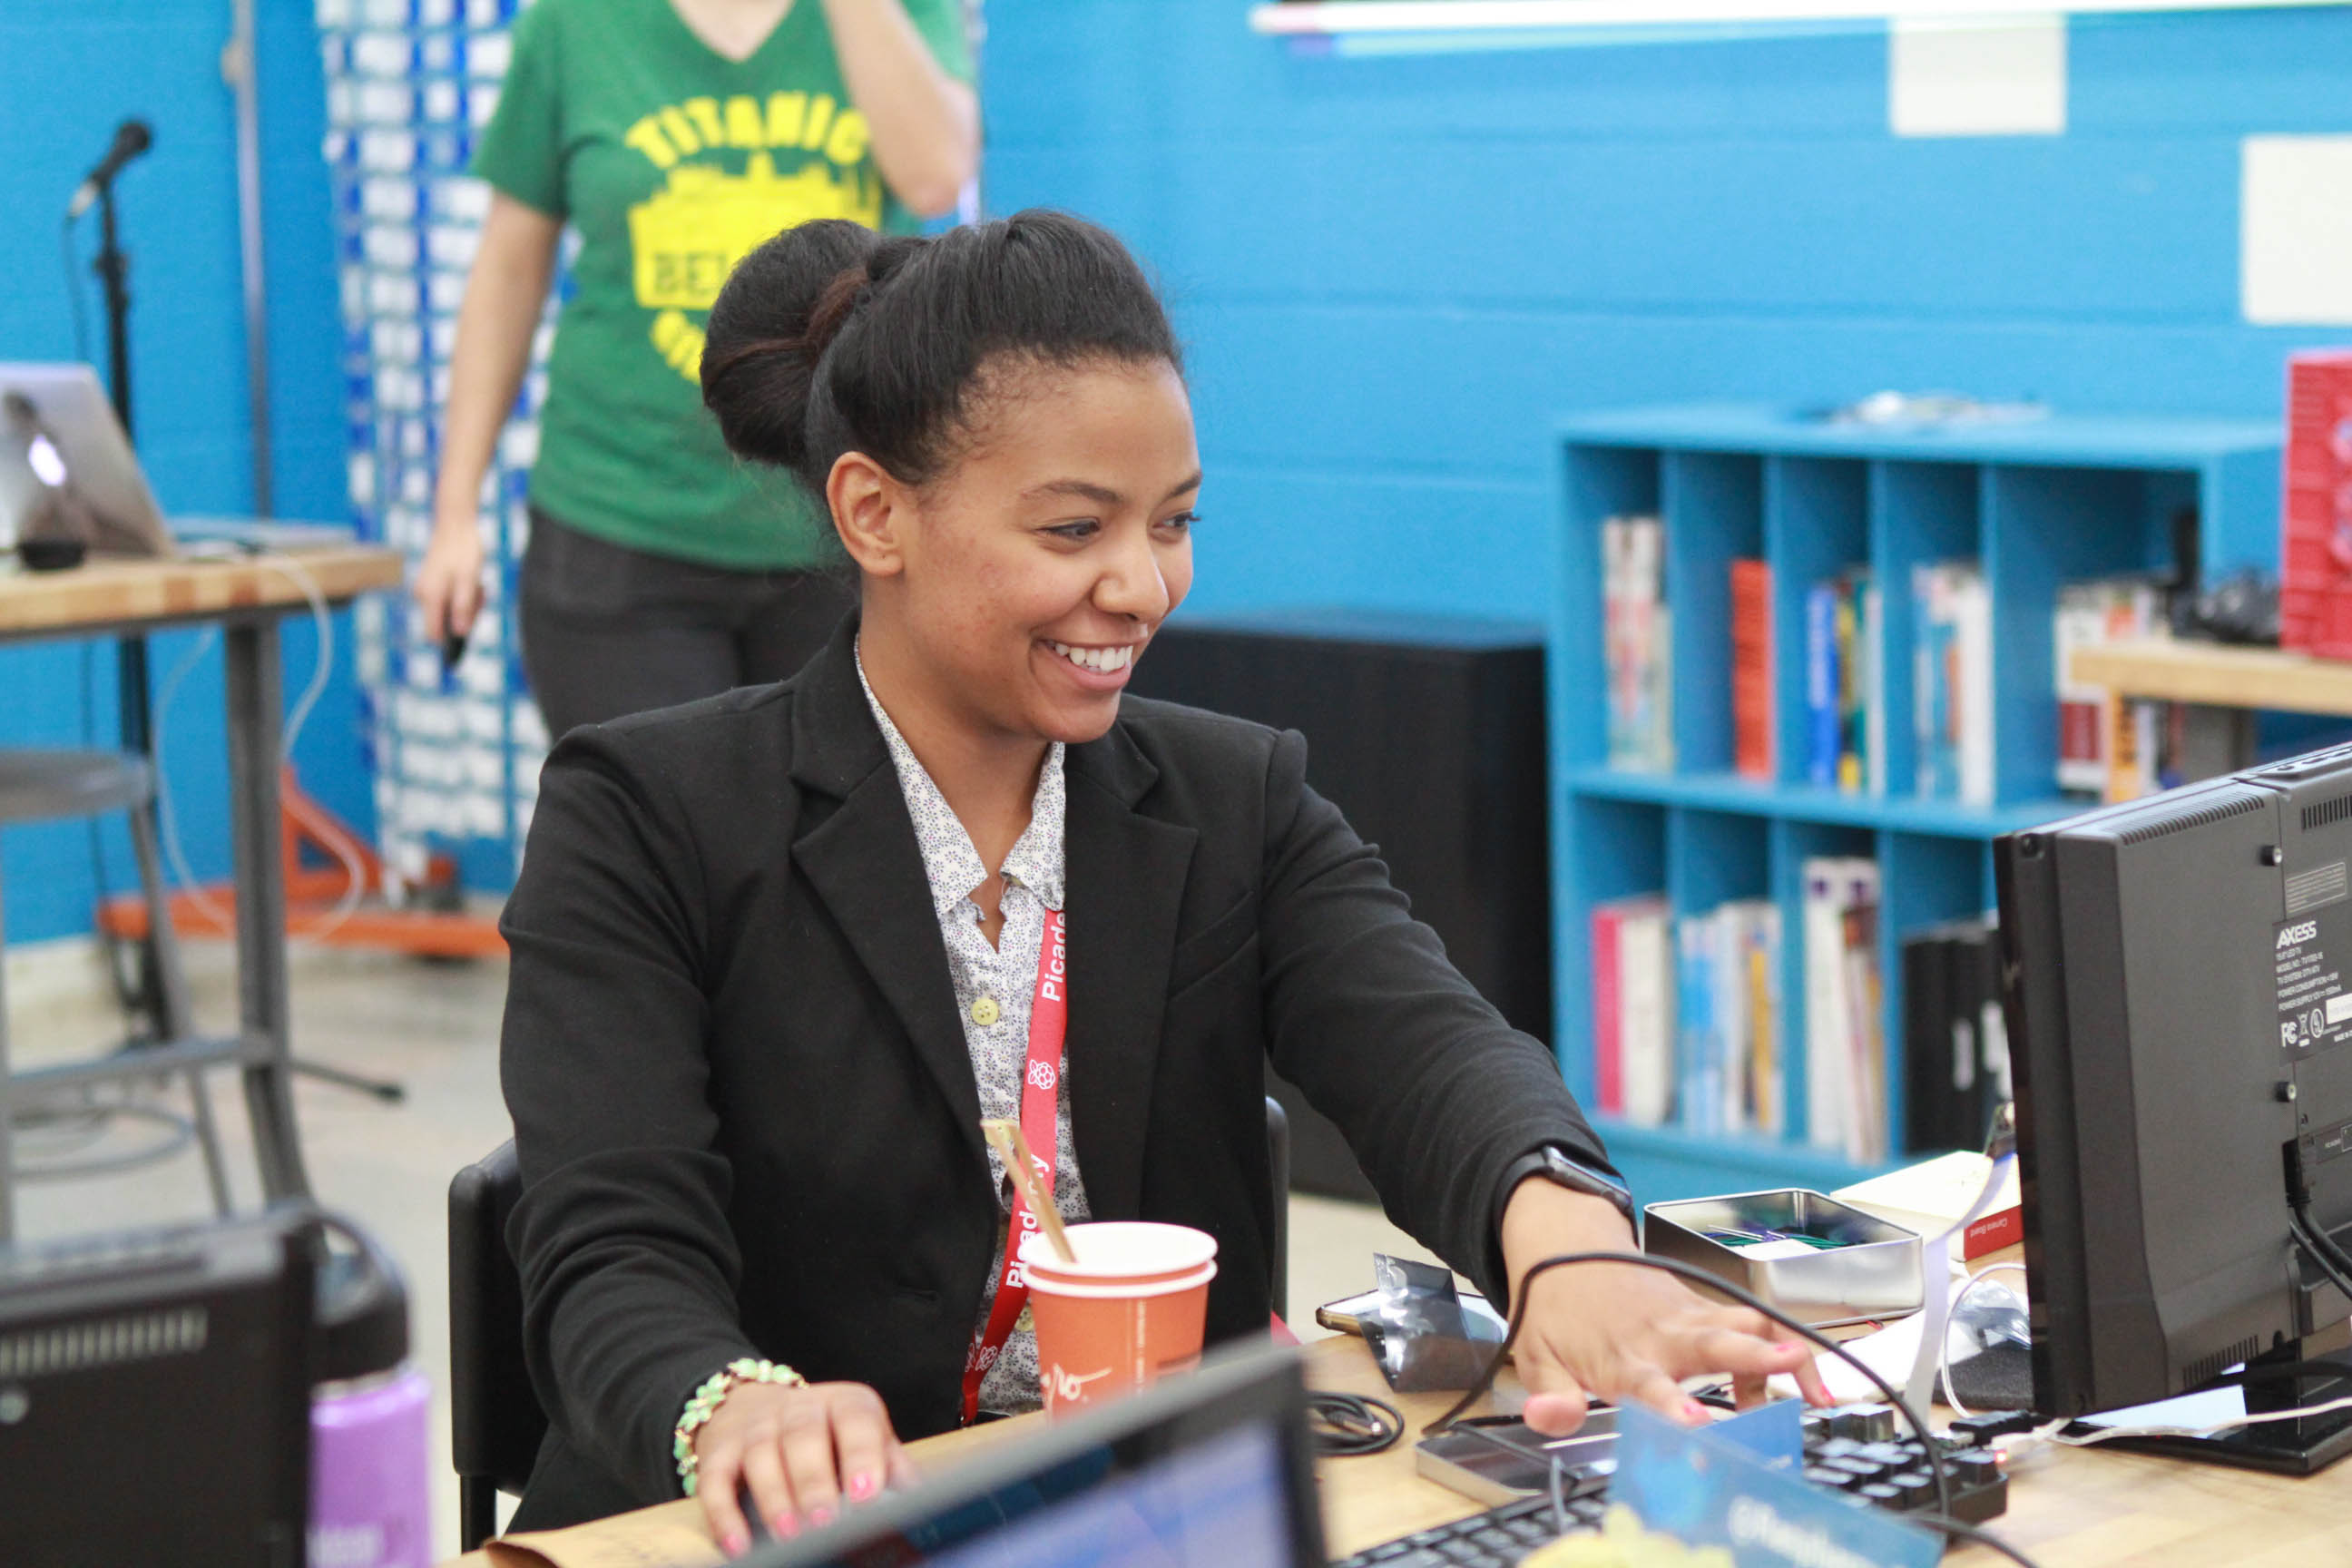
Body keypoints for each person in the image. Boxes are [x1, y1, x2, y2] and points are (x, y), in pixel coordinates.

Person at [498, 210, 1831, 1553]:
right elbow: (612, 1244)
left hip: (1151, 1519)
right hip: (797, 1531)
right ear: (874, 513)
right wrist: (730, 1405)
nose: (1142, 586)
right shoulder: (646, 817)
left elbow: (1430, 1050)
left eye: (1175, 522)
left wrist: (1565, 1246)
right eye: (1076, 528)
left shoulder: (1230, 799)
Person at [414, 0, 975, 740]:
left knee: (837, 843)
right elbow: (509, 270)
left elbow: (935, 176)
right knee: (655, 841)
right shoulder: (570, 24)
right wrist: (455, 516)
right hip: (620, 523)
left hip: (840, 525)